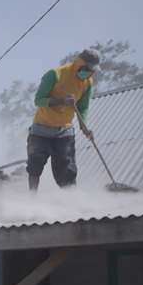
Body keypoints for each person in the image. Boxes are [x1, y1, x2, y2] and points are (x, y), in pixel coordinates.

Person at [26, 48, 101, 191]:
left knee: (67, 169)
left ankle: (70, 202)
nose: (89, 72)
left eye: (92, 70)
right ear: (78, 62)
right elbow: (38, 100)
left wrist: (83, 126)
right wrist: (61, 101)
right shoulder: (55, 74)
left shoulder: (87, 83)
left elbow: (83, 107)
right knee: (35, 164)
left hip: (64, 131)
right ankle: (32, 200)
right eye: (86, 68)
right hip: (41, 129)